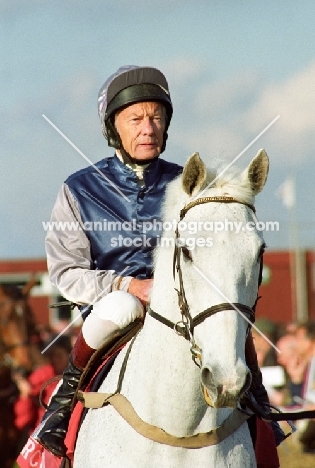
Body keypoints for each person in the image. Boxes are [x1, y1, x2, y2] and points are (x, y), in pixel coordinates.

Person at [32, 65, 284, 458]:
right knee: (121, 306)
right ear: (114, 128)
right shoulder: (77, 189)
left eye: (156, 116)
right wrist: (128, 286)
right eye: (135, 118)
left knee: (225, 312)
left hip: (185, 308)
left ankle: (258, 405)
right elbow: (65, 270)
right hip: (115, 311)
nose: (148, 127)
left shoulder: (192, 183)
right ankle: (61, 409)